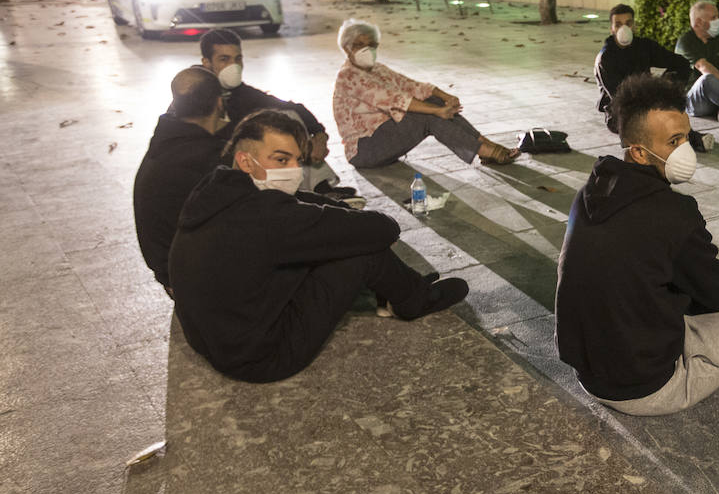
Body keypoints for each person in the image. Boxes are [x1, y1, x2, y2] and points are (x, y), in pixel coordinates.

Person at [555, 75, 719, 415]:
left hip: (589, 374)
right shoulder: (673, 212)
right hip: (647, 388)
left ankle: (717, 357)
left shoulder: (592, 191)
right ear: (639, 152)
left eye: (686, 137)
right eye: (673, 141)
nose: (685, 150)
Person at [168, 110, 468, 383]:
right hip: (260, 358)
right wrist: (344, 218)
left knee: (336, 236)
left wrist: (326, 211)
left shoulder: (215, 189)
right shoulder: (268, 219)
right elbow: (384, 228)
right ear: (247, 160)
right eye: (281, 160)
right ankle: (414, 300)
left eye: (298, 160)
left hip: (214, 341)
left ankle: (401, 286)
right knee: (363, 250)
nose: (294, 170)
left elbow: (296, 204)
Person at [331, 18, 520, 170]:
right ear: (347, 48)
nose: (367, 50)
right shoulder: (349, 76)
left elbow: (410, 85)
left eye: (372, 45)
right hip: (365, 150)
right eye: (359, 45)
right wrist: (437, 111)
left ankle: (484, 145)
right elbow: (395, 99)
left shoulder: (376, 69)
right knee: (429, 116)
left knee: (434, 102)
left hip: (382, 136)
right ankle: (487, 150)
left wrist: (446, 98)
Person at [133, 66, 228, 292]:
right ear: (219, 104)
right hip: (190, 277)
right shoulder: (206, 162)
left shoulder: (166, 140)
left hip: (166, 267)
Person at [198, 28, 330, 167]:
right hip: (210, 167)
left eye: (238, 59)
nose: (233, 66)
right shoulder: (191, 92)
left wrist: (319, 135)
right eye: (224, 59)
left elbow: (291, 108)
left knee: (287, 118)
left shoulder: (241, 92)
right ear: (207, 62)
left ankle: (318, 185)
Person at [594, 3, 712, 152]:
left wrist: (665, 88)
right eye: (618, 25)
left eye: (628, 23)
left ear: (634, 26)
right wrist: (653, 99)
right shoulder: (605, 58)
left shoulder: (644, 46)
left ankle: (681, 139)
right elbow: (619, 97)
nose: (623, 29)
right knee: (654, 121)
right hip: (621, 112)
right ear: (611, 29)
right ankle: (690, 138)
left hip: (648, 100)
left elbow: (680, 63)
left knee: (660, 114)